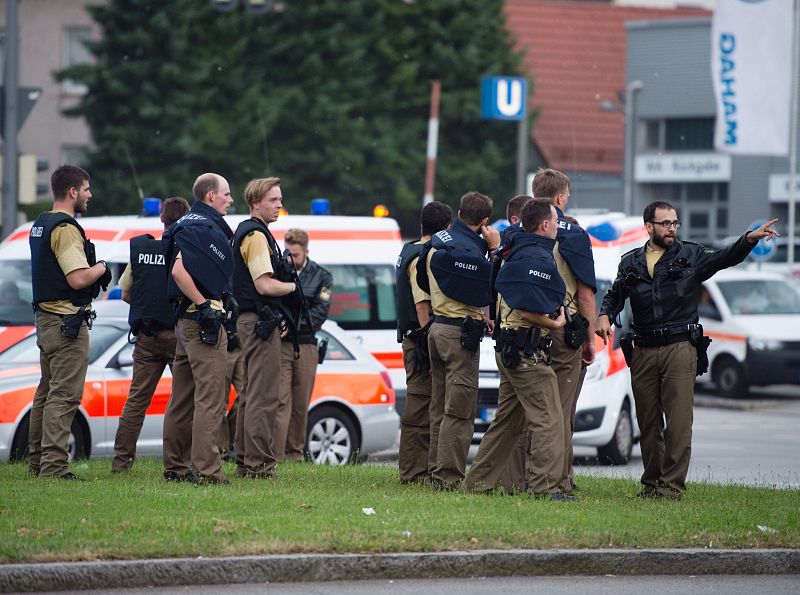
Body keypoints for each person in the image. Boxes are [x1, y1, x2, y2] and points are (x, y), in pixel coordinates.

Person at [597, 201, 779, 500]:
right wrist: (604, 315)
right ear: (649, 227)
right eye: (665, 223)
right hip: (642, 348)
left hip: (679, 346)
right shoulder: (630, 262)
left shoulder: (691, 254)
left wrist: (747, 239)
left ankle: (671, 488)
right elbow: (615, 294)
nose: (672, 228)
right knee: (648, 421)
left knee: (678, 421)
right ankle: (652, 483)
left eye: (674, 223)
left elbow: (723, 258)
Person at [465, 198, 574, 499]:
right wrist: (555, 325)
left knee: (507, 424)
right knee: (549, 419)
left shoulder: (513, 246)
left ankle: (478, 484)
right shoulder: (534, 257)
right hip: (527, 351)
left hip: (510, 347)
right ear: (544, 225)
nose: (557, 226)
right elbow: (526, 309)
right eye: (554, 221)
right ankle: (546, 488)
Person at [28, 164, 111, 480]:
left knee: (47, 393)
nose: (90, 195)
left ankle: (37, 462)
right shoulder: (65, 228)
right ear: (73, 191)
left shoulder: (41, 223)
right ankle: (53, 467)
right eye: (87, 189)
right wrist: (101, 267)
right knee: (64, 396)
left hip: (47, 320)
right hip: (66, 323)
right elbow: (77, 278)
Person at [416, 191, 500, 489]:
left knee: (439, 407)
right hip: (458, 335)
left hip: (437, 329)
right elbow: (489, 284)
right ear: (485, 221)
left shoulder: (440, 241)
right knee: (460, 410)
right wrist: (495, 250)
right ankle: (448, 477)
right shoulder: (470, 249)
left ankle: (434, 470)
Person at [162, 173, 236, 485]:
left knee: (181, 398)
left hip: (183, 322)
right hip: (201, 323)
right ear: (210, 196)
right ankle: (207, 471)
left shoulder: (185, 223)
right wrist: (205, 304)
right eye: (226, 194)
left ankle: (175, 466)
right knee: (210, 399)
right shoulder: (201, 227)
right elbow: (179, 270)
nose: (231, 200)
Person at [111, 196, 190, 473]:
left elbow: (126, 293)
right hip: (177, 336)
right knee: (182, 400)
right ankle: (179, 462)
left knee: (136, 400)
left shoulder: (141, 249)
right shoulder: (184, 251)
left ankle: (121, 463)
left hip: (146, 336)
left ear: (161, 219)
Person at [533, 169, 596, 495]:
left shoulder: (518, 229)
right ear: (559, 198)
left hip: (525, 331)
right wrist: (589, 339)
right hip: (562, 330)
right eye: (567, 196)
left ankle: (526, 476)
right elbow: (585, 294)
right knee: (560, 411)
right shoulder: (573, 235)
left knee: (529, 414)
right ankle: (559, 480)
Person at [232, 177, 297, 478]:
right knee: (264, 395)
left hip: (252, 320)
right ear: (256, 203)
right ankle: (260, 466)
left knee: (251, 393)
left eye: (280, 199)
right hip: (257, 322)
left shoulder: (255, 233)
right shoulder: (256, 235)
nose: (279, 205)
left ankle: (247, 461)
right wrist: (292, 288)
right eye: (273, 200)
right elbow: (263, 284)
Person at [395, 201, 452, 484]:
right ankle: (413, 472)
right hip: (420, 342)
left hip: (413, 338)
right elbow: (422, 308)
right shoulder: (420, 257)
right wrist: (431, 348)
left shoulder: (409, 248)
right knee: (419, 406)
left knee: (423, 404)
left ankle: (418, 469)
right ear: (448, 229)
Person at [275, 228, 333, 461]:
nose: (291, 259)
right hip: (282, 344)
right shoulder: (278, 271)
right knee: (280, 401)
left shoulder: (321, 276)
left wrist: (292, 324)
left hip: (307, 343)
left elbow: (320, 314)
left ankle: (294, 453)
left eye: (296, 255)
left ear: (306, 252)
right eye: (288, 253)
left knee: (300, 403)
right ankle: (276, 454)